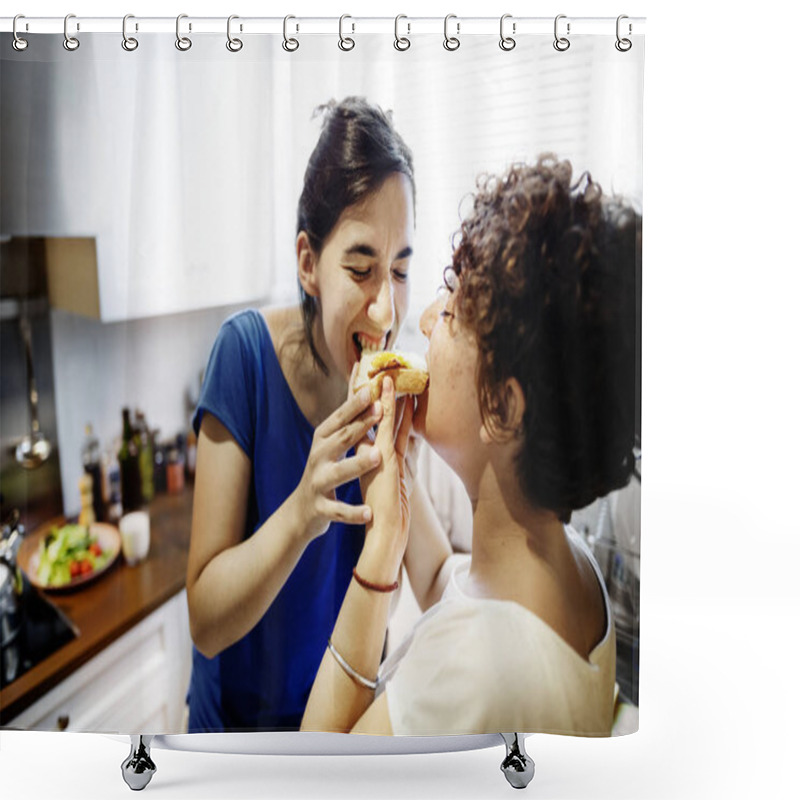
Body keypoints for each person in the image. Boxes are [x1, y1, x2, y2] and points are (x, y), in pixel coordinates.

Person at [300, 155, 641, 736]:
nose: (427, 319)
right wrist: (397, 476)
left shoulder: (467, 672)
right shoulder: (574, 572)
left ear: (504, 408)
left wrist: (379, 554)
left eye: (454, 310)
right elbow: (444, 587)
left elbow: (314, 776)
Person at [186, 97, 449, 732]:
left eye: (401, 270)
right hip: (242, 739)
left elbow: (436, 575)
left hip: (342, 725)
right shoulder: (242, 356)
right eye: (360, 269)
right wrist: (304, 509)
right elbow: (206, 620)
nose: (386, 310)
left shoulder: (384, 386)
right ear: (309, 263)